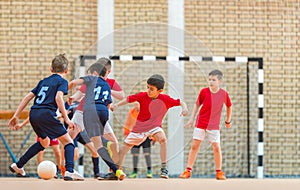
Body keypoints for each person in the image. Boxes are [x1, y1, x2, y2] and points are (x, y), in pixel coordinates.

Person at [8, 54, 84, 181]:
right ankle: (69, 171)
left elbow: (27, 97)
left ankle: (18, 165)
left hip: (34, 114)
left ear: (51, 69)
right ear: (66, 71)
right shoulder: (62, 82)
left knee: (44, 142)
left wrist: (16, 115)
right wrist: (66, 119)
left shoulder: (43, 81)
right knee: (68, 142)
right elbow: (58, 98)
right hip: (47, 114)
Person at [110, 74, 188, 179]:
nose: (148, 90)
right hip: (139, 129)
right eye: (147, 87)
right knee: (123, 150)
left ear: (159, 91)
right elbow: (129, 99)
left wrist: (184, 108)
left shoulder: (165, 99)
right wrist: (116, 105)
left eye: (151, 89)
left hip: (154, 127)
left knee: (163, 139)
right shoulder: (143, 96)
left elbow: (181, 102)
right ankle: (117, 171)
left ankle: (164, 168)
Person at [68, 60, 126, 180]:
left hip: (93, 112)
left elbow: (121, 95)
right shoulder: (95, 81)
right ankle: (65, 168)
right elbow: (80, 92)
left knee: (113, 142)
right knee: (69, 137)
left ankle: (114, 170)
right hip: (83, 111)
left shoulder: (107, 82)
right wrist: (73, 98)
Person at [179, 69, 232, 180]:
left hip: (214, 126)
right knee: (194, 146)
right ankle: (188, 170)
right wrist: (191, 120)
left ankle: (219, 172)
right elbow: (197, 105)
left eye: (214, 80)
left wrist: (228, 120)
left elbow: (229, 106)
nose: (211, 82)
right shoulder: (204, 92)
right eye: (209, 80)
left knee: (216, 147)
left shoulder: (224, 94)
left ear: (220, 81)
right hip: (201, 123)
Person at [124, 104, 153, 178]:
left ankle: (149, 171)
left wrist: (153, 136)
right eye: (136, 103)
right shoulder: (132, 112)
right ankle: (134, 172)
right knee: (135, 155)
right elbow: (128, 124)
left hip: (146, 135)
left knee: (147, 154)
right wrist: (127, 135)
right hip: (135, 135)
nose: (137, 105)